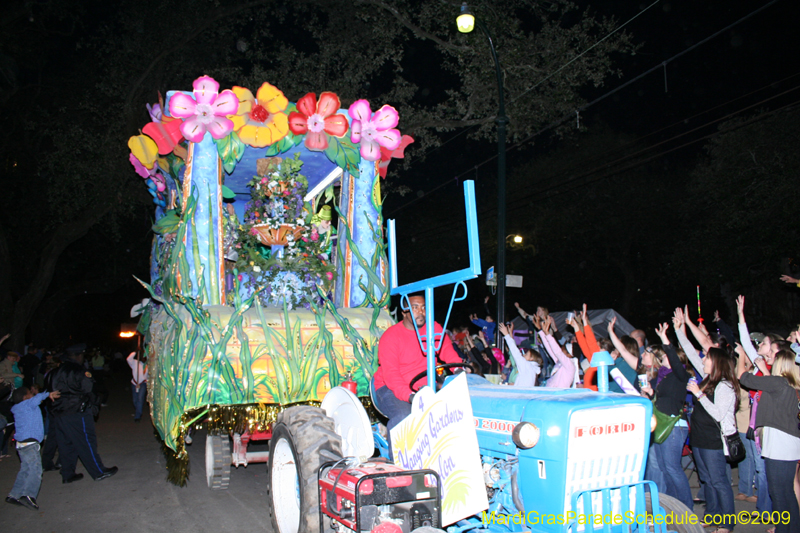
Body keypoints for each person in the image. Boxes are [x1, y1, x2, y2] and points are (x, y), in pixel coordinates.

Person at [373, 295, 464, 436]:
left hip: (424, 387)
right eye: (415, 307)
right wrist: (410, 396)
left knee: (454, 410)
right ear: (404, 311)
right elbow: (391, 375)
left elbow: (446, 349)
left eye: (423, 307)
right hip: (391, 388)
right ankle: (397, 458)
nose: (420, 312)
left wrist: (459, 369)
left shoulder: (433, 328)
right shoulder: (391, 336)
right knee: (404, 416)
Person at [738, 350, 800, 533]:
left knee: (779, 495)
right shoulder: (790, 386)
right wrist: (765, 370)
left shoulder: (778, 382)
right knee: (787, 493)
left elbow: (744, 378)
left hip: (780, 447)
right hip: (789, 445)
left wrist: (743, 356)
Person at [685, 344, 739, 533]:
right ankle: (712, 514)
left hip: (713, 440)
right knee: (707, 480)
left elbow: (718, 414)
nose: (702, 360)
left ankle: (727, 523)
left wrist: (698, 394)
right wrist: (678, 331)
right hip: (699, 438)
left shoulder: (724, 385)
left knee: (719, 482)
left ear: (715, 362)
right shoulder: (708, 379)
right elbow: (691, 354)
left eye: (706, 358)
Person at [642, 322, 693, 510]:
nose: (662, 357)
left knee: (672, 468)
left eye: (665, 356)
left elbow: (672, 356)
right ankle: (673, 506)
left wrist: (665, 339)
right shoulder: (662, 377)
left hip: (674, 426)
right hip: (663, 424)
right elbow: (662, 399)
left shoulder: (680, 375)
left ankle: (686, 508)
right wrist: (650, 393)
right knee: (665, 468)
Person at [49, 345, 118, 483]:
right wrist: (95, 404)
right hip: (76, 410)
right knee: (86, 441)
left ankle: (68, 474)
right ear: (79, 356)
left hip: (59, 410)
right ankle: (98, 471)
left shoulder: (56, 371)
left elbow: (51, 389)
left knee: (66, 443)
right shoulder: (80, 371)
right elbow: (88, 390)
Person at [5, 386, 61, 510]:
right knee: (36, 471)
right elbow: (37, 399)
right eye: (31, 393)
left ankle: (14, 495)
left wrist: (41, 396)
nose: (33, 393)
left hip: (21, 444)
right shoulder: (27, 404)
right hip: (30, 444)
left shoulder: (19, 408)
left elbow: (36, 401)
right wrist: (47, 394)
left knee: (25, 470)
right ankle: (29, 495)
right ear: (25, 397)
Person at [127, 351, 148, 422]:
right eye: (143, 356)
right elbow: (128, 359)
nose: (144, 358)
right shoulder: (135, 363)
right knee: (135, 400)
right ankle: (138, 410)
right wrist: (135, 352)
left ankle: (137, 416)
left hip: (142, 384)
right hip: (134, 384)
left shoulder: (147, 365)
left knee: (140, 399)